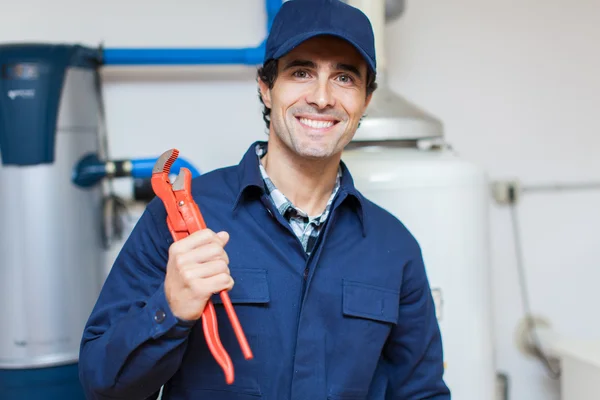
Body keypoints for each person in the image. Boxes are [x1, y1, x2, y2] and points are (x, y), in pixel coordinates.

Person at [78, 0, 451, 398]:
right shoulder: (182, 223)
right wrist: (170, 308)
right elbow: (103, 384)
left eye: (344, 78)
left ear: (365, 100)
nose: (322, 97)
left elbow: (421, 393)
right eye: (301, 72)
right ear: (266, 88)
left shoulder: (394, 248)